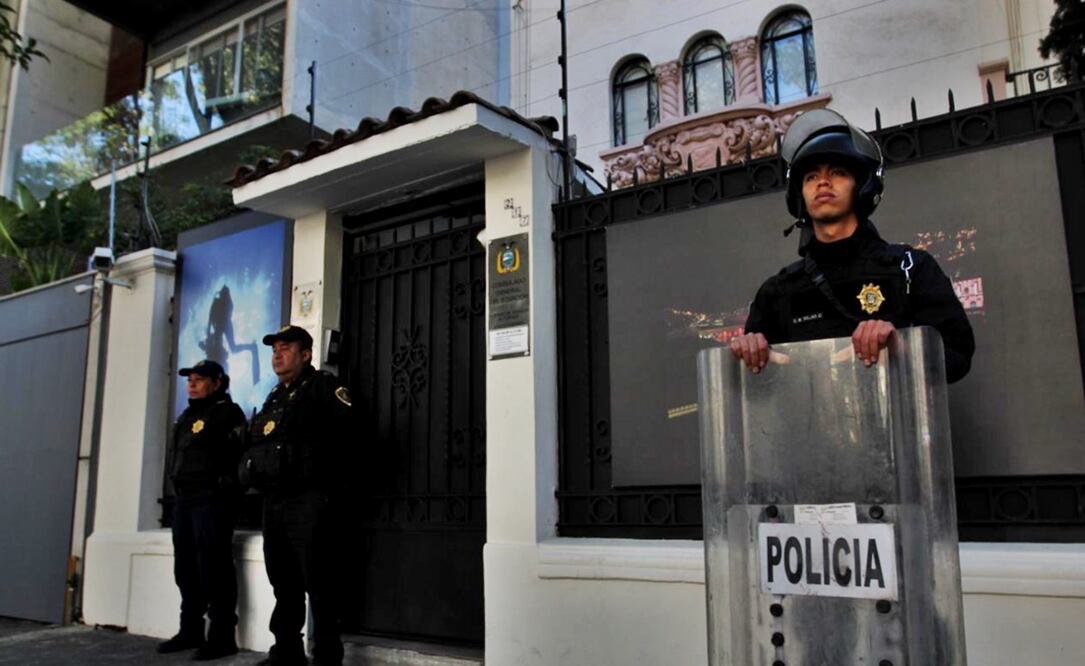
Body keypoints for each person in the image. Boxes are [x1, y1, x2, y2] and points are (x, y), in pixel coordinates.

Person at [730, 108, 975, 382]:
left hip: (897, 422)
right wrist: (748, 352)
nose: (822, 182)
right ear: (798, 195)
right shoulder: (777, 291)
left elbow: (958, 357)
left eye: (837, 172)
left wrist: (901, 346)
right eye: (810, 176)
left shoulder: (910, 268)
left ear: (862, 186)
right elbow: (760, 392)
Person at [239, 325, 353, 666]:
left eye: (285, 347)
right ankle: (287, 651)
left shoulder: (325, 389)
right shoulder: (275, 397)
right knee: (283, 582)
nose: (277, 353)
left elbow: (350, 441)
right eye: (274, 349)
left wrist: (331, 491)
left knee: (319, 583)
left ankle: (327, 656)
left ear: (305, 354)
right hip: (275, 502)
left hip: (310, 501)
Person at [158, 360, 247, 660]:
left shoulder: (226, 413)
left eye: (199, 379)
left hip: (212, 500)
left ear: (218, 382)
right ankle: (190, 630)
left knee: (214, 568)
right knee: (186, 569)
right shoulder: (186, 416)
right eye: (190, 379)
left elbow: (239, 457)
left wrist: (224, 487)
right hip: (184, 501)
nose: (192, 384)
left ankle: (222, 637)